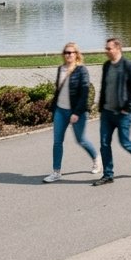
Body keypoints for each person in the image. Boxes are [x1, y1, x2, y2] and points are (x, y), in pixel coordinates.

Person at [44, 41, 101, 183]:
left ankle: (96, 158)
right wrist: (54, 108)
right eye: (66, 52)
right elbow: (59, 91)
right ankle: (56, 172)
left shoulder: (82, 70)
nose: (68, 55)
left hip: (76, 112)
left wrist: (76, 113)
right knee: (57, 142)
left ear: (76, 54)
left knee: (81, 140)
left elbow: (84, 93)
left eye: (71, 52)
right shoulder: (61, 69)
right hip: (60, 110)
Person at [94, 37, 131, 186]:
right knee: (104, 144)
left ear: (118, 48)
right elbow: (104, 87)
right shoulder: (106, 66)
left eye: (109, 48)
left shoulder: (129, 66)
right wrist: (101, 107)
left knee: (125, 142)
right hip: (107, 113)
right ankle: (108, 175)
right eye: (106, 48)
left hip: (123, 114)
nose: (106, 51)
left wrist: (128, 108)